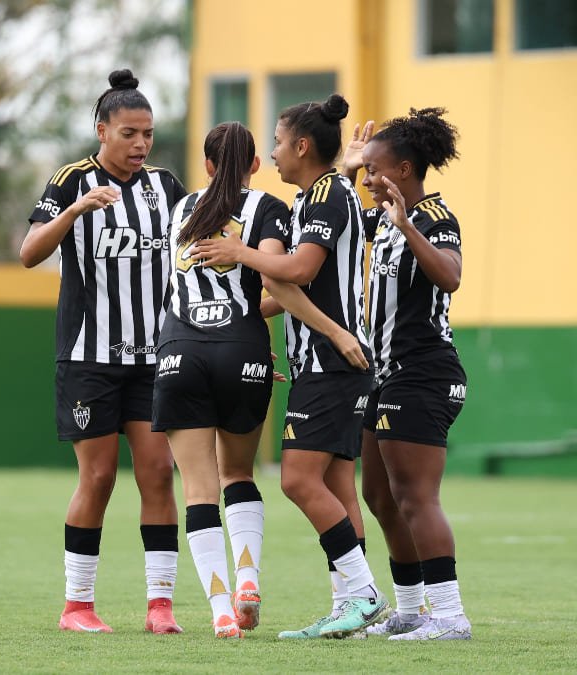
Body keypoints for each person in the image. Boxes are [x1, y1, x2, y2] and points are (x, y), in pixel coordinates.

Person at [194, 94, 385, 638]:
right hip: (326, 359)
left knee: (298, 480)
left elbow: (296, 270)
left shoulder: (324, 196)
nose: (273, 152)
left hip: (332, 361)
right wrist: (238, 335)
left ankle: (365, 593)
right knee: (339, 487)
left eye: (278, 142)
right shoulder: (319, 194)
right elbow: (285, 293)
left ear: (302, 145)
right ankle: (352, 608)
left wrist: (241, 254)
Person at [19, 69, 186, 635]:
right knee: (98, 478)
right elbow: (27, 253)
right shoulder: (70, 180)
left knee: (159, 472)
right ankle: (77, 606)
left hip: (152, 356)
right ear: (102, 130)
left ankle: (160, 606)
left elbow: (194, 248)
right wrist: (73, 213)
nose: (140, 144)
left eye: (148, 134)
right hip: (89, 357)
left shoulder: (166, 187)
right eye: (129, 133)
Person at [341, 108, 471, 640]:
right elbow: (337, 222)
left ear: (406, 167)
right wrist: (345, 169)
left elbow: (451, 276)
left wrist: (405, 228)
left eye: (375, 169)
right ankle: (413, 610)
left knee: (416, 496)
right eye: (365, 170)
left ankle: (449, 615)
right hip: (387, 376)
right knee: (378, 494)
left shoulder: (434, 217)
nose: (370, 179)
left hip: (425, 374)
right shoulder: (377, 216)